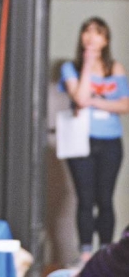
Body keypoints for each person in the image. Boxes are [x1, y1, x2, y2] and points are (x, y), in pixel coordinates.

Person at [59, 17, 129, 265]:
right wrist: (88, 63)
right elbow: (79, 98)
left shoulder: (116, 68)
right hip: (81, 141)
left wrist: (96, 102)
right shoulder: (71, 68)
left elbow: (125, 104)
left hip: (110, 142)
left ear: (106, 39)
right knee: (85, 198)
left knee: (105, 199)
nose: (91, 37)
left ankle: (107, 254)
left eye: (98, 32)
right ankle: (87, 254)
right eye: (87, 31)